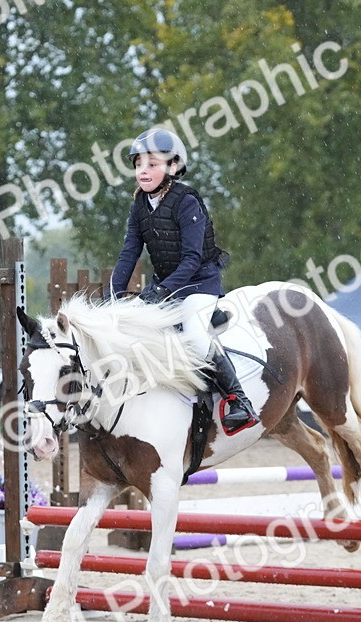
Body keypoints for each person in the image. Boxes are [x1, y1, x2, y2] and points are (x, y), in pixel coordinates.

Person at [109, 127, 259, 435]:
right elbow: (128, 255)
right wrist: (112, 299)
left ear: (173, 167)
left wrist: (162, 292)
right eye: (139, 164)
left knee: (195, 337)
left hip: (199, 284)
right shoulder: (139, 206)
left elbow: (192, 259)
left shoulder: (187, 201)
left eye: (152, 163)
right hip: (165, 287)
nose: (143, 170)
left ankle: (239, 401)